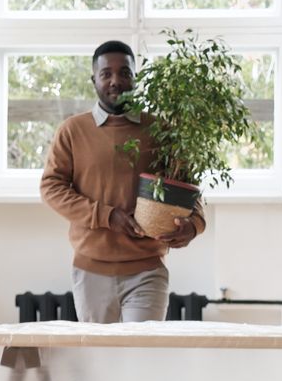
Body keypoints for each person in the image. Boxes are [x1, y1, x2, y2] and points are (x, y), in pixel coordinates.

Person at [41, 41, 204, 323]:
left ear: (135, 78)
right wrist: (106, 216)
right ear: (94, 80)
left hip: (148, 269)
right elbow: (51, 187)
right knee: (99, 361)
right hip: (90, 269)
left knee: (140, 358)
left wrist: (195, 225)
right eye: (106, 74)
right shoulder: (73, 130)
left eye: (124, 73)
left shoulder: (160, 129)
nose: (116, 81)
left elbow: (188, 187)